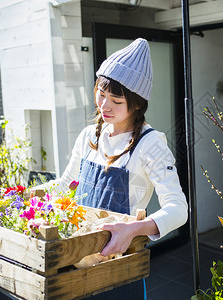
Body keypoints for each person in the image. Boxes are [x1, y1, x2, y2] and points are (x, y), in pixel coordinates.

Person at [38, 38, 188, 299]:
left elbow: (178, 209)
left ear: (138, 104)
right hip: (75, 258)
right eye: (101, 94)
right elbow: (66, 183)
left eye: (116, 101)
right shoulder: (89, 136)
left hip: (118, 267)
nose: (104, 106)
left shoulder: (150, 144)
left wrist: (132, 230)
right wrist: (31, 195)